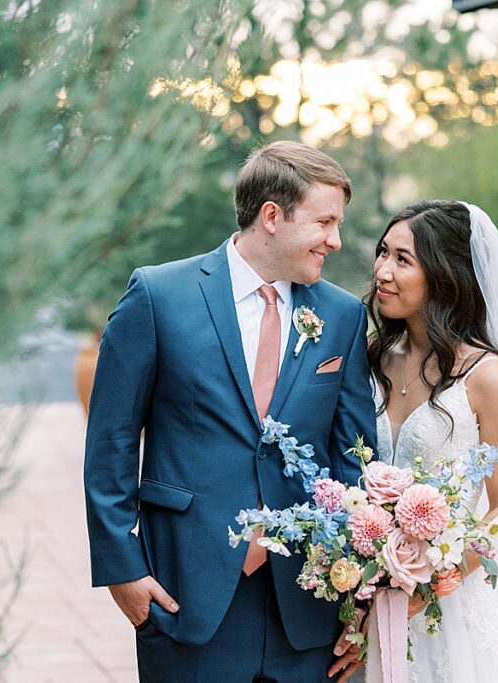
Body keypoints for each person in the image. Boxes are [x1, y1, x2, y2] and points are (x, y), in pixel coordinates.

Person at [84, 141, 378, 682]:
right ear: (272, 216)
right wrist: (120, 569)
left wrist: (360, 596)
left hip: (308, 602)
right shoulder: (158, 296)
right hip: (185, 590)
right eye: (324, 222)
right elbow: (112, 438)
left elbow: (353, 459)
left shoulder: (341, 316)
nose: (335, 240)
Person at [332, 200, 498, 682]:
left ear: (444, 275)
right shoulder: (372, 359)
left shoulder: (490, 379)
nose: (382, 270)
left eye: (403, 260)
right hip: (370, 598)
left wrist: (436, 581)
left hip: (451, 606)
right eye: (383, 253)